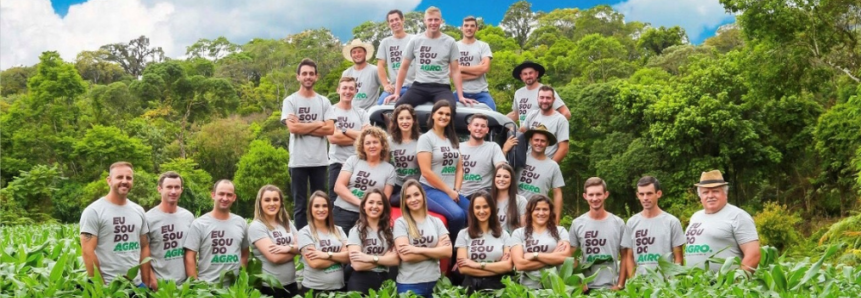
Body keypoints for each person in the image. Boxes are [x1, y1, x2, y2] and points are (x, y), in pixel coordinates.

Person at [384, 6, 478, 109]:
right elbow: (404, 67)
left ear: (441, 21)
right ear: (425, 21)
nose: (433, 22)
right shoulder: (415, 40)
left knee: (448, 108)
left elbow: (455, 71)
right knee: (400, 107)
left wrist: (460, 96)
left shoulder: (450, 42)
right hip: (419, 86)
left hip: (441, 87)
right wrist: (397, 93)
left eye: (436, 19)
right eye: (430, 19)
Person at [282, 58, 335, 229]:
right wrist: (319, 123)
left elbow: (330, 130)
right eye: (304, 73)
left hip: (320, 161)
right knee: (300, 205)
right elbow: (292, 128)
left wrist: (302, 126)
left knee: (320, 203)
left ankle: (320, 235)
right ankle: (302, 242)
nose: (308, 77)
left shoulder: (324, 101)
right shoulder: (290, 101)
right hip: (298, 161)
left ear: (316, 77)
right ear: (298, 77)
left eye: (311, 74)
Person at [80, 161, 150, 285]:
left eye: (128, 178)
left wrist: (145, 283)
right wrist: (102, 289)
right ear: (109, 180)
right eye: (119, 177)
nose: (124, 181)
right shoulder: (94, 211)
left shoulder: (139, 211)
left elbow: (144, 246)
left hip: (137, 285)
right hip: (110, 286)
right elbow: (87, 251)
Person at [685, 170, 760, 272]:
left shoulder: (738, 216)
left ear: (725, 194)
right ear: (700, 196)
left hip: (725, 286)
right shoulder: (695, 217)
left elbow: (753, 255)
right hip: (695, 285)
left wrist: (735, 282)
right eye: (705, 192)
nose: (710, 196)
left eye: (715, 191)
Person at [417, 100, 469, 242]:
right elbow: (426, 172)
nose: (444, 117)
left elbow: (459, 169)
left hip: (451, 190)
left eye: (447, 114)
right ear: (433, 115)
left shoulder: (452, 139)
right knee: (458, 215)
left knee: (475, 214)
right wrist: (449, 191)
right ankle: (451, 252)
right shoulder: (426, 138)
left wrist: (456, 190)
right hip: (429, 189)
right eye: (440, 113)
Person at [394, 179, 452, 297]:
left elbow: (447, 252)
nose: (413, 199)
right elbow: (406, 256)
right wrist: (436, 249)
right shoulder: (400, 223)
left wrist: (417, 249)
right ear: (404, 201)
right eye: (408, 197)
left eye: (416, 194)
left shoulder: (436, 222)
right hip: (409, 284)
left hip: (435, 283)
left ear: (423, 195)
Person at [184, 180, 249, 284]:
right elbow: (189, 257)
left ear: (234, 197)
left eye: (229, 195)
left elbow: (245, 253)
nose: (225, 198)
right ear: (213, 195)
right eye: (221, 194)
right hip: (207, 288)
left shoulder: (241, 223)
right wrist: (196, 285)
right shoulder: (199, 224)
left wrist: (241, 279)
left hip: (234, 290)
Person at [569, 177, 629, 291]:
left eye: (598, 194)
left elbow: (625, 256)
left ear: (606, 195)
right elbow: (572, 256)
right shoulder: (577, 224)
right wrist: (579, 282)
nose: (595, 198)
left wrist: (620, 285)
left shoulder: (618, 223)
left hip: (611, 288)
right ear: (585, 196)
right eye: (591, 195)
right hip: (586, 289)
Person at [333, 126, 396, 233]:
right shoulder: (353, 160)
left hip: (369, 217)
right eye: (368, 143)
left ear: (382, 145)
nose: (372, 146)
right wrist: (361, 203)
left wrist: (368, 208)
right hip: (343, 212)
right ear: (362, 146)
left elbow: (384, 199)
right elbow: (338, 187)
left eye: (375, 142)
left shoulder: (389, 169)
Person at [622, 176, 685, 277]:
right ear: (637, 195)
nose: (645, 198)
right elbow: (629, 257)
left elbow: (679, 257)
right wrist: (634, 282)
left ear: (658, 194)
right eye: (642, 194)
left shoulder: (672, 222)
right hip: (641, 285)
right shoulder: (631, 223)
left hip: (665, 286)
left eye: (649, 193)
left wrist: (673, 282)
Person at [454, 191, 514, 294]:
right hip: (470, 288)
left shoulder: (504, 235)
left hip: (497, 288)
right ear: (472, 210)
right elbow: (463, 268)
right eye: (477, 207)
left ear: (491, 208)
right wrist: (498, 266)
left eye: (485, 207)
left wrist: (476, 265)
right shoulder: (463, 234)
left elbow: (508, 266)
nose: (481, 211)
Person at [144, 171, 195, 289]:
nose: (173, 191)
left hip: (184, 285)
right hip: (159, 285)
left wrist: (191, 281)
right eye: (169, 187)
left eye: (177, 187)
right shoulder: (148, 218)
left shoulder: (188, 217)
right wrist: (153, 281)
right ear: (159, 189)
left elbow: (191, 252)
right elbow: (142, 253)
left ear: (181, 190)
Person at [247, 185, 299, 297]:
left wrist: (287, 248)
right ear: (260, 203)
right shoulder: (257, 226)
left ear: (281, 202)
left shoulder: (286, 223)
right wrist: (296, 249)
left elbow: (303, 245)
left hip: (292, 284)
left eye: (276, 199)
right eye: (267, 200)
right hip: (270, 287)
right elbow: (275, 258)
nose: (272, 203)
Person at [510, 195, 571, 290]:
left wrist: (536, 255)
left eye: (545, 209)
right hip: (528, 289)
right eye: (537, 209)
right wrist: (554, 255)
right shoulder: (519, 233)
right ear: (530, 212)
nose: (541, 213)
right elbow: (520, 264)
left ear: (550, 212)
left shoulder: (560, 231)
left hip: (555, 288)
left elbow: (565, 258)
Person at [346, 189, 400, 294]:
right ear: (364, 206)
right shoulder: (356, 231)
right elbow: (357, 264)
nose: (375, 206)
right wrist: (384, 260)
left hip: (385, 281)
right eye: (371, 202)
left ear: (384, 207)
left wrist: (368, 258)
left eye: (379, 203)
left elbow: (395, 260)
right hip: (360, 282)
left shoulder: (391, 232)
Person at [298, 191, 349, 296]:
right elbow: (315, 263)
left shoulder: (339, 230)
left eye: (324, 206)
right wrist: (339, 257)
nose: (321, 210)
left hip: (339, 289)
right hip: (314, 290)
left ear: (329, 209)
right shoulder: (305, 232)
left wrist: (325, 255)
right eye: (316, 206)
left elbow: (349, 257)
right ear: (310, 209)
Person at [327, 77, 370, 200]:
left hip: (359, 164)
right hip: (337, 164)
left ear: (356, 91)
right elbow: (333, 138)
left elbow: (369, 137)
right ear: (338, 90)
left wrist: (345, 131)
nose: (347, 91)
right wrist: (359, 136)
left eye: (351, 88)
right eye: (344, 88)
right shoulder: (330, 111)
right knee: (334, 202)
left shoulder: (362, 113)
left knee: (358, 200)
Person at [516, 125, 565, 221]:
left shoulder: (553, 166)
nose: (539, 143)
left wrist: (556, 220)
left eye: (543, 141)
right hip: (516, 211)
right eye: (536, 140)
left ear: (547, 143)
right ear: (531, 141)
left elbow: (557, 193)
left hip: (539, 213)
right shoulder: (520, 157)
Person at [459, 113, 514, 197]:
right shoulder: (457, 148)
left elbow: (501, 167)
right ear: (469, 127)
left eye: (483, 126)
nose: (479, 128)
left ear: (487, 130)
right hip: (458, 194)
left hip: (483, 194)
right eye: (476, 125)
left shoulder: (493, 147)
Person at [507, 61, 571, 124]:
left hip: (542, 133)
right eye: (525, 74)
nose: (528, 76)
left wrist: (550, 128)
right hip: (524, 133)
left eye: (530, 73)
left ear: (536, 74)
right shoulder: (518, 93)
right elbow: (516, 114)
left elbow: (566, 113)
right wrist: (499, 120)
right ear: (521, 76)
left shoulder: (546, 91)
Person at [519, 86, 569, 163]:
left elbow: (564, 148)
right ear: (537, 99)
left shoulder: (560, 120)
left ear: (554, 99)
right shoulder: (532, 114)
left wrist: (550, 167)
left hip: (546, 162)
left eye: (548, 98)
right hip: (527, 162)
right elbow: (522, 132)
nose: (544, 101)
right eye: (542, 97)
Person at [376, 9, 417, 105]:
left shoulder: (415, 39)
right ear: (388, 24)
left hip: (414, 86)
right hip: (394, 88)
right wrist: (385, 85)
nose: (395, 23)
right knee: (379, 107)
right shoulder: (385, 42)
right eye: (391, 21)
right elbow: (380, 65)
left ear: (403, 20)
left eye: (397, 19)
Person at [455, 16, 495, 110]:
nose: (469, 28)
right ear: (461, 28)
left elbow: (485, 68)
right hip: (460, 92)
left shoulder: (483, 46)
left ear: (477, 29)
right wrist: (476, 73)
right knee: (446, 111)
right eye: (466, 26)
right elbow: (450, 73)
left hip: (481, 92)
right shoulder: (454, 46)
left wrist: (460, 68)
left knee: (492, 113)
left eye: (472, 26)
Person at [388, 104, 421, 204]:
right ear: (396, 121)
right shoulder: (389, 141)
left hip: (417, 185)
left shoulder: (423, 140)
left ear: (413, 120)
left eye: (408, 118)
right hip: (397, 185)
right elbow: (384, 165)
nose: (405, 122)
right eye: (401, 118)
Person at [342, 39, 382, 110]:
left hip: (370, 112)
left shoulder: (375, 70)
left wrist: (380, 104)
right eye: (354, 52)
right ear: (351, 55)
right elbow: (343, 94)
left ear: (365, 53)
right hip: (351, 112)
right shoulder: (346, 73)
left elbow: (387, 87)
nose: (357, 54)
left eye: (359, 51)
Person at [491, 164, 527, 233]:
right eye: (498, 176)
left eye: (506, 177)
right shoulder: (488, 200)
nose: (501, 179)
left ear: (512, 180)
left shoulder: (521, 201)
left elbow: (524, 230)